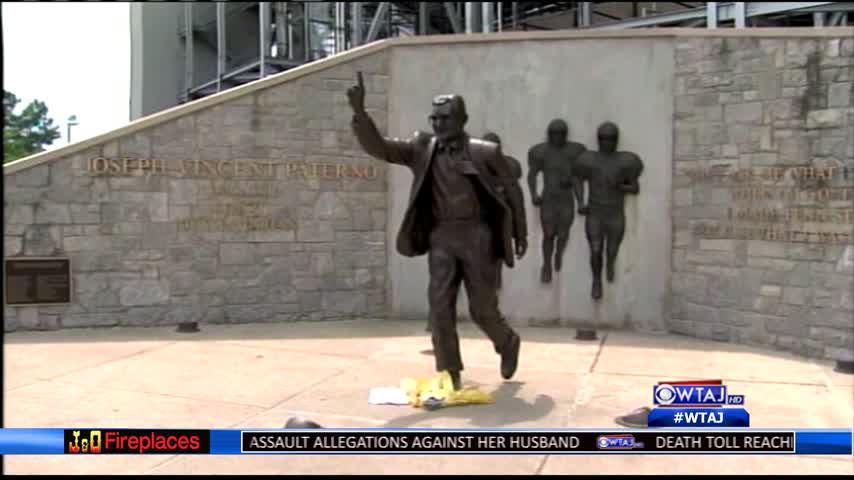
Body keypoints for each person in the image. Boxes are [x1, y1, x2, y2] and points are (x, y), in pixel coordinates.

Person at [347, 72, 528, 390]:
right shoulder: (422, 148)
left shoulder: (485, 152)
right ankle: (449, 372)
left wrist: (520, 233)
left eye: (445, 118)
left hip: (478, 236)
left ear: (462, 118)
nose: (439, 124)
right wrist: (360, 113)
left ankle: (507, 341)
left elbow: (512, 193)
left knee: (482, 308)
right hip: (441, 236)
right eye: (435, 118)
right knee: (439, 305)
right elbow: (381, 148)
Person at [575, 122, 644, 300]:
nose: (607, 142)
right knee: (596, 249)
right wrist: (581, 202)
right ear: (599, 139)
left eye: (611, 139)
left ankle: (610, 263)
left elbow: (635, 187)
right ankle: (596, 280)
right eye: (604, 138)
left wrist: (621, 186)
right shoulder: (588, 159)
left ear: (616, 140)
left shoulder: (625, 161)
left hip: (615, 212)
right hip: (595, 212)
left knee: (612, 249)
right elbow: (577, 179)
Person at [527, 120, 586, 284]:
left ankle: (558, 253)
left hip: (566, 198)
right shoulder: (542, 152)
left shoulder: (574, 152)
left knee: (563, 234)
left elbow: (577, 179)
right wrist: (534, 194)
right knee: (548, 234)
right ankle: (546, 265)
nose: (557, 137)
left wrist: (580, 201)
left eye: (560, 134)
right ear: (549, 134)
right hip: (549, 198)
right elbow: (532, 174)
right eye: (554, 134)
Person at [482, 131, 524, 290]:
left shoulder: (510, 167)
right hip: (478, 218)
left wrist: (520, 235)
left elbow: (516, 203)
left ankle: (494, 283)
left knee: (497, 254)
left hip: (500, 218)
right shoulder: (471, 165)